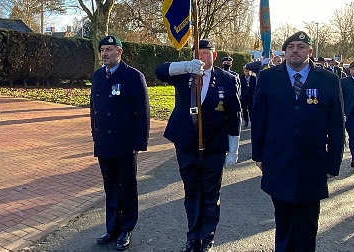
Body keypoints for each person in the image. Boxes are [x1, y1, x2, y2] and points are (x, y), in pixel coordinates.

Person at [251, 31, 345, 252]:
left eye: (301, 46)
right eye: (291, 46)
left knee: (307, 222)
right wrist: (259, 155)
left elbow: (336, 125)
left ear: (310, 52)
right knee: (283, 220)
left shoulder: (328, 80)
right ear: (284, 52)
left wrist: (333, 163)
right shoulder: (268, 77)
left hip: (312, 162)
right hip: (278, 159)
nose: (295, 50)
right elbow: (259, 119)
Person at [155, 39, 241, 252]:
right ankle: (193, 237)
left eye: (206, 53)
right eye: (198, 53)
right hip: (187, 145)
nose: (201, 56)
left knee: (211, 195)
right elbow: (159, 71)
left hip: (214, 147)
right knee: (192, 193)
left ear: (214, 55)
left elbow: (234, 115)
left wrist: (234, 148)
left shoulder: (228, 79)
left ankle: (207, 237)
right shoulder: (185, 74)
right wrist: (185, 66)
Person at [90, 35, 150, 251]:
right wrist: (94, 134)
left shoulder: (133, 76)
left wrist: (139, 142)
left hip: (125, 143)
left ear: (119, 52)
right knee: (110, 186)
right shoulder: (98, 76)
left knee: (127, 186)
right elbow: (93, 108)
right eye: (102, 50)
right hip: (104, 142)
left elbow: (143, 112)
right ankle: (112, 227)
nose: (105, 54)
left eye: (109, 49)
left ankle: (127, 228)